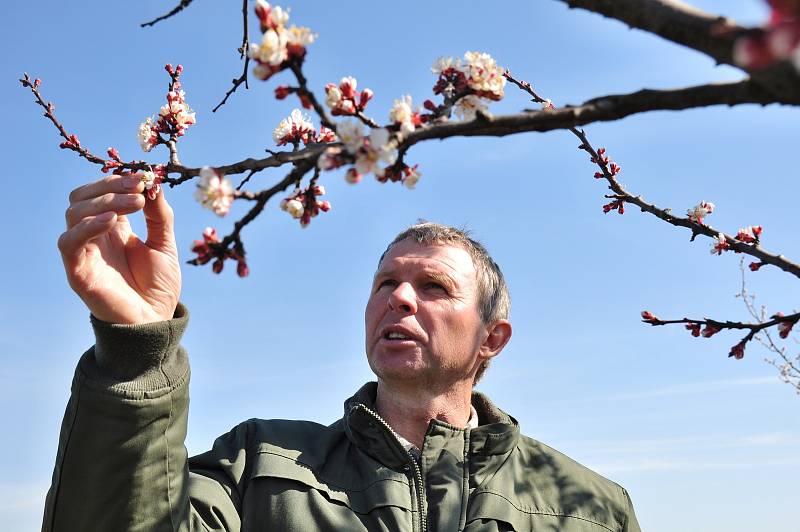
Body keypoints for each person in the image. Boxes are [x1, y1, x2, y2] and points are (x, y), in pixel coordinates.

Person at [43, 173, 641, 531]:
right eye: (386, 284)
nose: (401, 298)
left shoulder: (591, 508)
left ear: (492, 338)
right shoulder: (256, 468)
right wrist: (139, 352)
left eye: (434, 287)